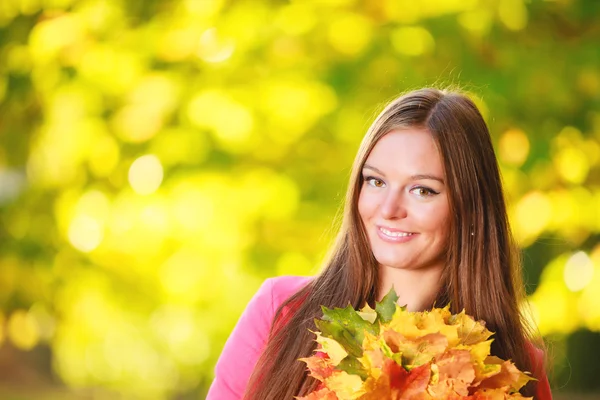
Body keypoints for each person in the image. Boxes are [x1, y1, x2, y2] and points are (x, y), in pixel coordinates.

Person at [207, 88, 552, 399]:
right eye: (375, 181)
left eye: (422, 190)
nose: (388, 209)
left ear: (471, 206)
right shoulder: (280, 311)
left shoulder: (512, 364)